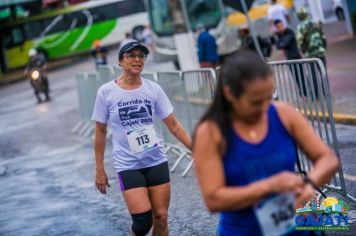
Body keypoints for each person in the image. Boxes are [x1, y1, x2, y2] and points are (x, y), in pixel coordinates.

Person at [193, 50, 339, 235]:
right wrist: (269, 186)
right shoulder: (210, 132)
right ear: (229, 93)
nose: (264, 108)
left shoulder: (284, 114)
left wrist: (308, 185)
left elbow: (328, 159)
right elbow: (213, 199)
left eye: (268, 98)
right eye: (255, 102)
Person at [92, 40, 192, 236]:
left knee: (161, 217)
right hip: (128, 166)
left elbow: (173, 125)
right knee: (142, 221)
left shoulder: (153, 89)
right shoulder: (106, 92)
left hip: (156, 160)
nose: (137, 60)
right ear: (120, 61)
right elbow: (100, 132)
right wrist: (99, 169)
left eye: (141, 56)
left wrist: (195, 148)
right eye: (131, 56)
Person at [296, 7, 328, 99]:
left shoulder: (300, 26)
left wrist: (303, 50)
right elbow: (323, 36)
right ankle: (327, 94)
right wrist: (323, 47)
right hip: (320, 51)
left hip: (310, 54)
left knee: (313, 75)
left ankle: (315, 96)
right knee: (323, 73)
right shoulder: (315, 23)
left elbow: (300, 41)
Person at [274, 19, 307, 97]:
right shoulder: (279, 35)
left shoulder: (289, 32)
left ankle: (306, 92)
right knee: (296, 77)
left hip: (296, 57)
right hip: (289, 59)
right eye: (279, 26)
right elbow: (278, 45)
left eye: (281, 25)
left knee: (301, 75)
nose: (281, 27)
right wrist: (279, 40)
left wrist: (280, 41)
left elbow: (284, 44)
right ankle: (302, 92)